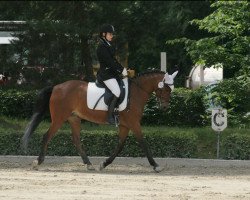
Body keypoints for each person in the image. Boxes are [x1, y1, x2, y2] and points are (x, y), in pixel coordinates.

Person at [96, 24, 127, 125]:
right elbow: (110, 62)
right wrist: (121, 70)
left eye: (112, 34)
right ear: (104, 34)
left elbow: (114, 60)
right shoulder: (102, 46)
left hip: (111, 73)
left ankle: (117, 111)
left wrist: (122, 69)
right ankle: (109, 117)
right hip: (105, 74)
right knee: (117, 91)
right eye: (110, 34)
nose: (112, 36)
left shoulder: (108, 45)